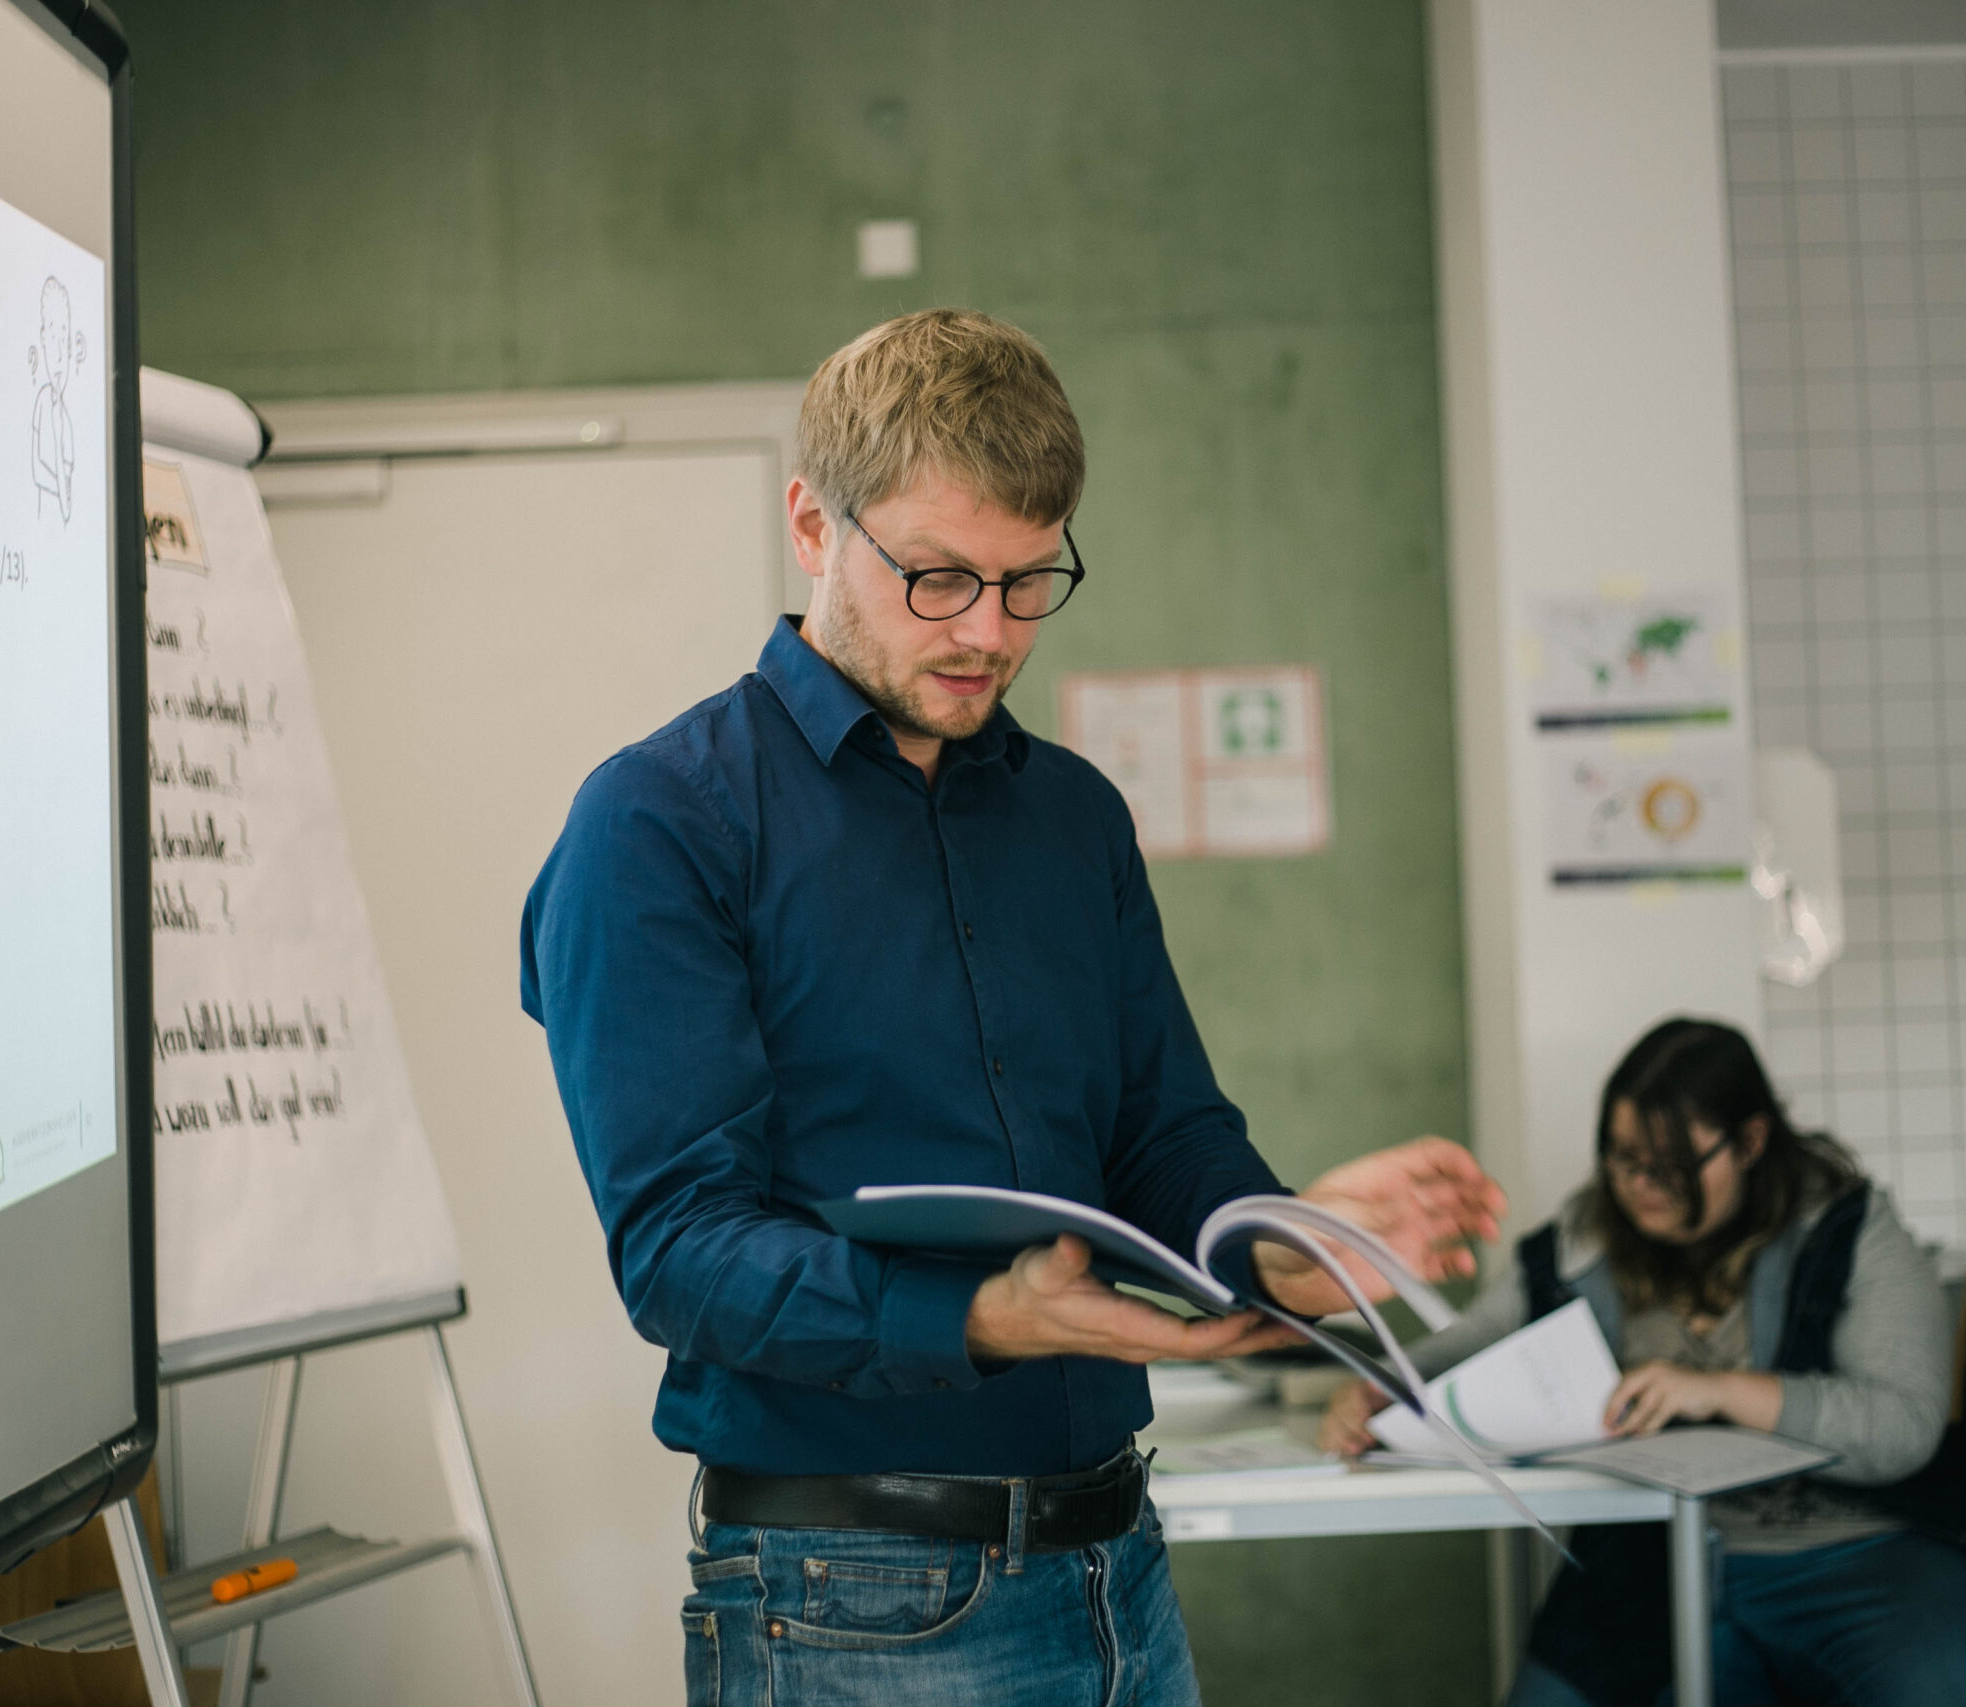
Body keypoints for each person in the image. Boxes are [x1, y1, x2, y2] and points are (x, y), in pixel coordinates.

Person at [521, 307, 1504, 1707]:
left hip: (1122, 1569)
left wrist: (1282, 1240)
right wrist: (981, 1315)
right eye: (938, 577)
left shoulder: (1075, 817)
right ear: (813, 525)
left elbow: (1164, 1135)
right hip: (850, 1599)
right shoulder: (661, 821)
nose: (988, 631)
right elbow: (680, 1248)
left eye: (1029, 580)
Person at [1317, 1018, 1966, 1707]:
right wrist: (1382, 1387)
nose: (1638, 1185)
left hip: (1860, 1546)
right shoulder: (1587, 1235)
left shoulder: (1846, 1228)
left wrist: (1718, 1390)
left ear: (1750, 1140)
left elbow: (1902, 1426)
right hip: (1652, 1559)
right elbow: (1474, 1338)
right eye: (1622, 1158)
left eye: (1668, 1165)